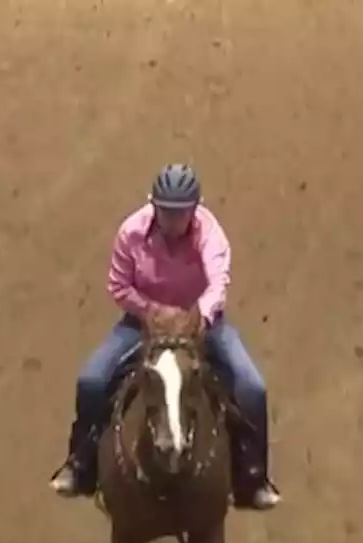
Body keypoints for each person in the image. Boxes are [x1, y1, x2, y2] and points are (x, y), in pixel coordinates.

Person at [48, 164, 281, 510]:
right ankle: (80, 465)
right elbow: (119, 285)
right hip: (142, 322)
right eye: (166, 211)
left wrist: (196, 316)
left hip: (201, 322)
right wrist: (151, 311)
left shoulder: (209, 233)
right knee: (92, 379)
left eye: (180, 212)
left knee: (251, 385)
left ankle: (252, 477)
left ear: (195, 209)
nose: (173, 220)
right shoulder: (131, 232)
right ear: (153, 206)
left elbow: (218, 282)